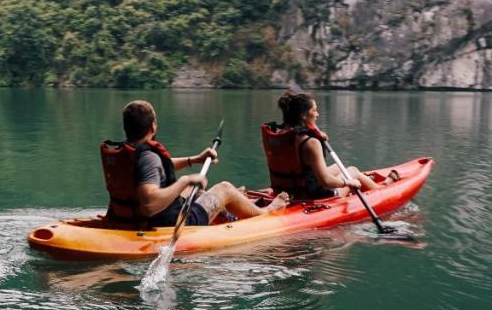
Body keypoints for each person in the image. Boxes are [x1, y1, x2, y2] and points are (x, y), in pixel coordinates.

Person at [102, 100, 289, 228]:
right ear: (153, 127)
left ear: (127, 127)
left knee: (196, 193)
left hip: (128, 220)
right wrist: (185, 181)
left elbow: (157, 169)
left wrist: (195, 159)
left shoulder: (131, 153)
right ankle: (267, 210)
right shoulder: (148, 157)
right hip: (171, 224)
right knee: (224, 188)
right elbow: (149, 205)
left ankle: (227, 208)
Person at [261, 90, 395, 200]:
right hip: (314, 195)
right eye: (315, 110)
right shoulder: (310, 143)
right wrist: (348, 183)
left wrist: (314, 133)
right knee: (353, 171)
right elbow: (325, 181)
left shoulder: (279, 136)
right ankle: (382, 190)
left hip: (287, 191)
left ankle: (366, 181)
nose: (317, 115)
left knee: (338, 167)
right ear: (303, 115)